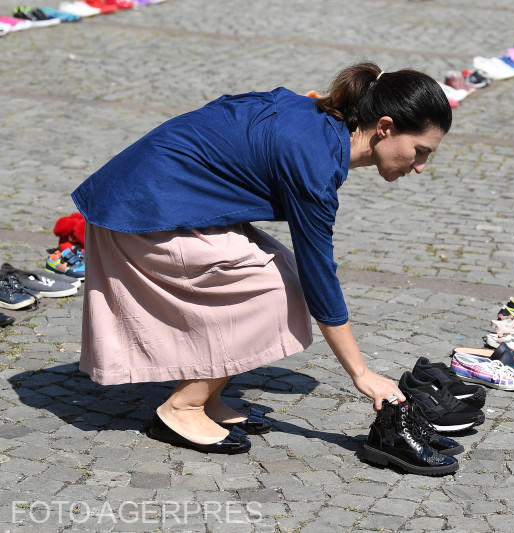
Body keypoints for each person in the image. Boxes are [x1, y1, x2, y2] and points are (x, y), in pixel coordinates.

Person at [71, 61, 452, 454]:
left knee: (281, 275)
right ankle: (181, 408)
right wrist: (362, 373)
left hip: (159, 202)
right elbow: (318, 273)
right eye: (419, 151)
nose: (421, 167)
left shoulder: (320, 127)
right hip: (139, 214)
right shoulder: (315, 162)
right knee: (273, 289)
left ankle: (208, 399)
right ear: (385, 128)